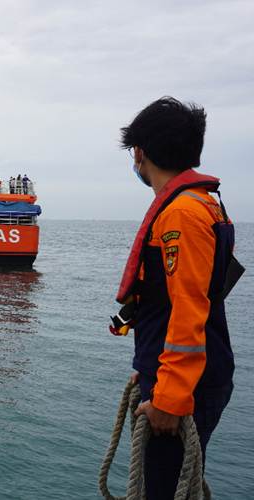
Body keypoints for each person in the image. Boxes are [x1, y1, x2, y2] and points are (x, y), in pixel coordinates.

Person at [115, 97, 237, 499]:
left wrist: (169, 394)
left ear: (140, 152)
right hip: (189, 374)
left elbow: (188, 310)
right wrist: (150, 367)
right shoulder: (204, 203)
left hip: (187, 389)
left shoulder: (180, 214)